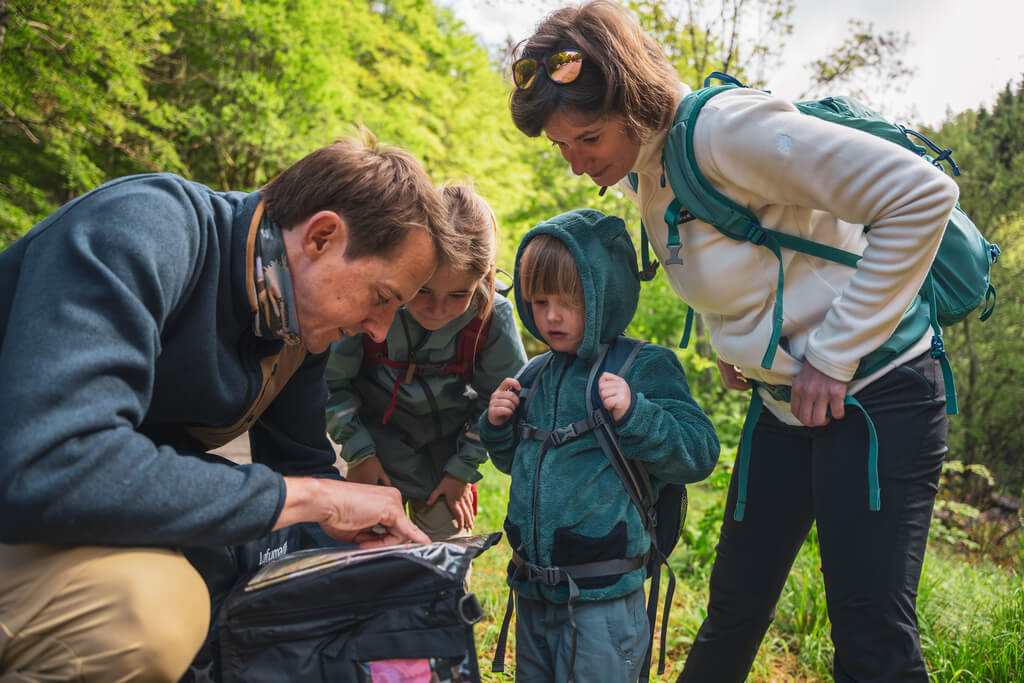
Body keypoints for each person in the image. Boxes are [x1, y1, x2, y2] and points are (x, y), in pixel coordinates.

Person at [508, 2, 960, 681]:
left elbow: (923, 196)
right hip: (782, 406)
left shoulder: (725, 132)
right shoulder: (644, 168)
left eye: (587, 139)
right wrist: (740, 342)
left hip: (879, 397)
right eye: (561, 146)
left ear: (632, 100)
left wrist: (833, 356)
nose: (575, 164)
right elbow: (751, 260)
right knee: (733, 612)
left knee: (871, 639)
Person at [0, 131, 458, 681]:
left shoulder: (293, 322)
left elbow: (299, 468)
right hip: (29, 496)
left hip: (53, 515)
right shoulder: (146, 228)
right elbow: (54, 466)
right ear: (321, 238)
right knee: (149, 610)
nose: (379, 328)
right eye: (382, 298)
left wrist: (368, 560)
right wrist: (313, 497)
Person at [480, 208, 719, 683]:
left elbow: (699, 451)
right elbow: (522, 467)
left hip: (603, 601)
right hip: (533, 592)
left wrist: (638, 414)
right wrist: (499, 428)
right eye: (540, 300)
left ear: (603, 293)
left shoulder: (643, 366)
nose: (551, 316)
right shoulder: (535, 374)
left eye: (569, 300)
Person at [324, 182, 528, 543]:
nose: (437, 310)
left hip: (445, 462)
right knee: (368, 551)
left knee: (444, 558)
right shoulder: (374, 302)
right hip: (374, 450)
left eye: (458, 295)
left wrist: (462, 470)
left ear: (484, 276)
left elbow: (500, 401)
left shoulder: (492, 319)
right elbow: (331, 383)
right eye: (423, 291)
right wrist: (358, 453)